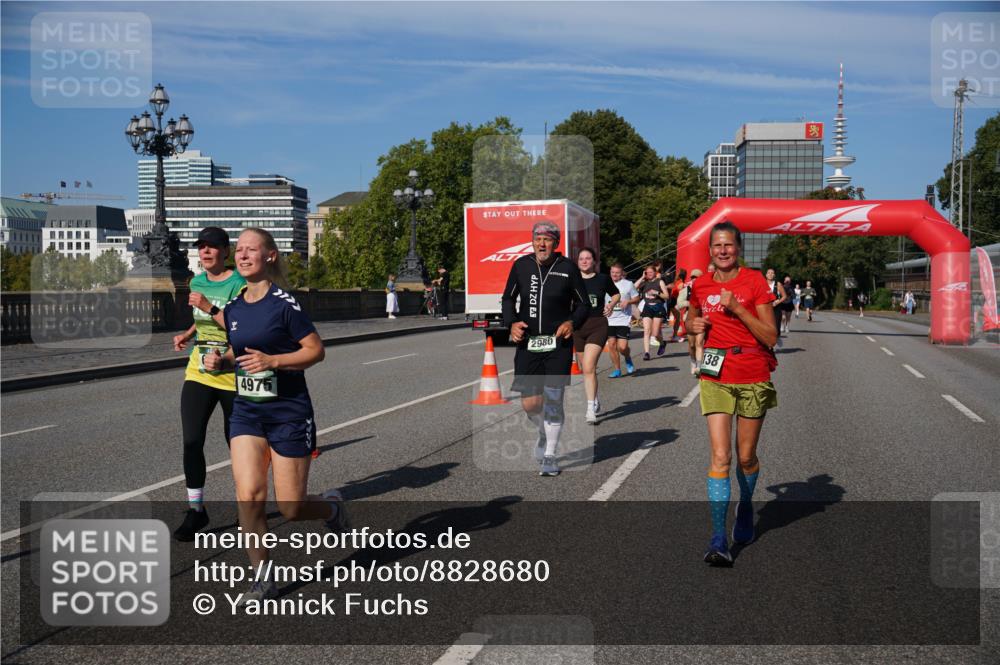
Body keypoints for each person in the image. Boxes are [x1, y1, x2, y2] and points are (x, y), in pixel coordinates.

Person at [203, 228, 346, 602]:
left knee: (291, 506)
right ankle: (263, 577)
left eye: (252, 250)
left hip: (288, 412)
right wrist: (222, 359)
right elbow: (243, 352)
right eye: (239, 250)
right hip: (247, 412)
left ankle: (331, 507)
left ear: (270, 256)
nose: (242, 255)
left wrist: (275, 361)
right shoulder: (234, 308)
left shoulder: (285, 303)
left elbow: (315, 351)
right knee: (249, 494)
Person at [687, 221, 778, 566]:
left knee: (745, 457)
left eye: (728, 245)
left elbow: (770, 336)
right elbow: (691, 320)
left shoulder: (754, 282)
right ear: (709, 250)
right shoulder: (701, 284)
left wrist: (739, 309)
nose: (722, 251)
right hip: (714, 374)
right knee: (721, 456)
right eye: (716, 246)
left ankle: (745, 507)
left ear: (738, 249)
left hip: (752, 373)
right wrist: (690, 326)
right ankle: (718, 538)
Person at [171, 227, 246, 541]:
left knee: (239, 448)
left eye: (212, 246)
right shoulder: (197, 281)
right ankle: (196, 511)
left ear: (225, 251)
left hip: (233, 371)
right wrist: (188, 335)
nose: (205, 251)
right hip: (199, 369)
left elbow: (242, 325)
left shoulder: (239, 283)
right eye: (201, 246)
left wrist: (209, 307)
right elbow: (200, 319)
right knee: (191, 441)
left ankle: (248, 510)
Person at [502, 221, 589, 477]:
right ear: (532, 241)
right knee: (530, 405)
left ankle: (550, 454)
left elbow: (584, 304)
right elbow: (508, 298)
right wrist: (511, 322)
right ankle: (543, 432)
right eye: (538, 239)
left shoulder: (567, 268)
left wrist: (572, 322)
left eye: (547, 239)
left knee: (553, 399)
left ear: (556, 243)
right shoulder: (521, 266)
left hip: (558, 345)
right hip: (529, 343)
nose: (542, 243)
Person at [574, 247, 620, 424]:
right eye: (581, 259)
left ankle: (589, 408)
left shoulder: (602, 279)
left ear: (594, 261)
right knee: (586, 369)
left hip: (597, 325)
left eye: (588, 258)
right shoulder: (572, 280)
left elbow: (616, 293)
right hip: (577, 327)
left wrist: (610, 305)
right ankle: (594, 399)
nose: (585, 261)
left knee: (588, 366)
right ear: (577, 262)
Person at [607, 263, 640, 379]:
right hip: (609, 319)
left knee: (622, 347)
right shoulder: (605, 282)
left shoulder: (628, 284)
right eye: (612, 272)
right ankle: (617, 370)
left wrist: (628, 302)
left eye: (617, 273)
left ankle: (627, 357)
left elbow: (637, 297)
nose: (614, 275)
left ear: (622, 273)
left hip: (623, 319)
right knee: (611, 345)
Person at [639, 265, 670, 361]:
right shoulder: (644, 283)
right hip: (647, 307)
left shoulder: (659, 282)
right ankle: (647, 353)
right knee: (647, 330)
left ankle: (662, 343)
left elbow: (667, 296)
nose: (649, 274)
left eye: (651, 272)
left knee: (655, 333)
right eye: (647, 272)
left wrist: (657, 293)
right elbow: (633, 287)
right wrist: (642, 277)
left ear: (655, 273)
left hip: (658, 307)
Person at [685, 269, 705, 375]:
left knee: (699, 343)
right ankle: (693, 361)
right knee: (692, 344)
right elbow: (679, 302)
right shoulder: (686, 289)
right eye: (692, 277)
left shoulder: (705, 290)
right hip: (690, 320)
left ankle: (699, 366)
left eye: (696, 277)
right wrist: (691, 303)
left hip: (701, 319)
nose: (694, 279)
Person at [764, 268, 787, 342]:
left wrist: (777, 302)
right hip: (765, 308)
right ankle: (769, 345)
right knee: (765, 327)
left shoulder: (778, 284)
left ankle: (777, 337)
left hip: (776, 308)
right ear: (766, 275)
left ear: (774, 275)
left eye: (772, 273)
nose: (770, 274)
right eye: (769, 273)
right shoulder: (762, 283)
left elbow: (784, 296)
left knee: (776, 327)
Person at [669, 269, 688, 341]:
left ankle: (675, 335)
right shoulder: (681, 283)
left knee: (678, 319)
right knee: (678, 319)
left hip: (672, 301)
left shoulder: (676, 282)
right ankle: (674, 336)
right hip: (675, 302)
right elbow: (681, 294)